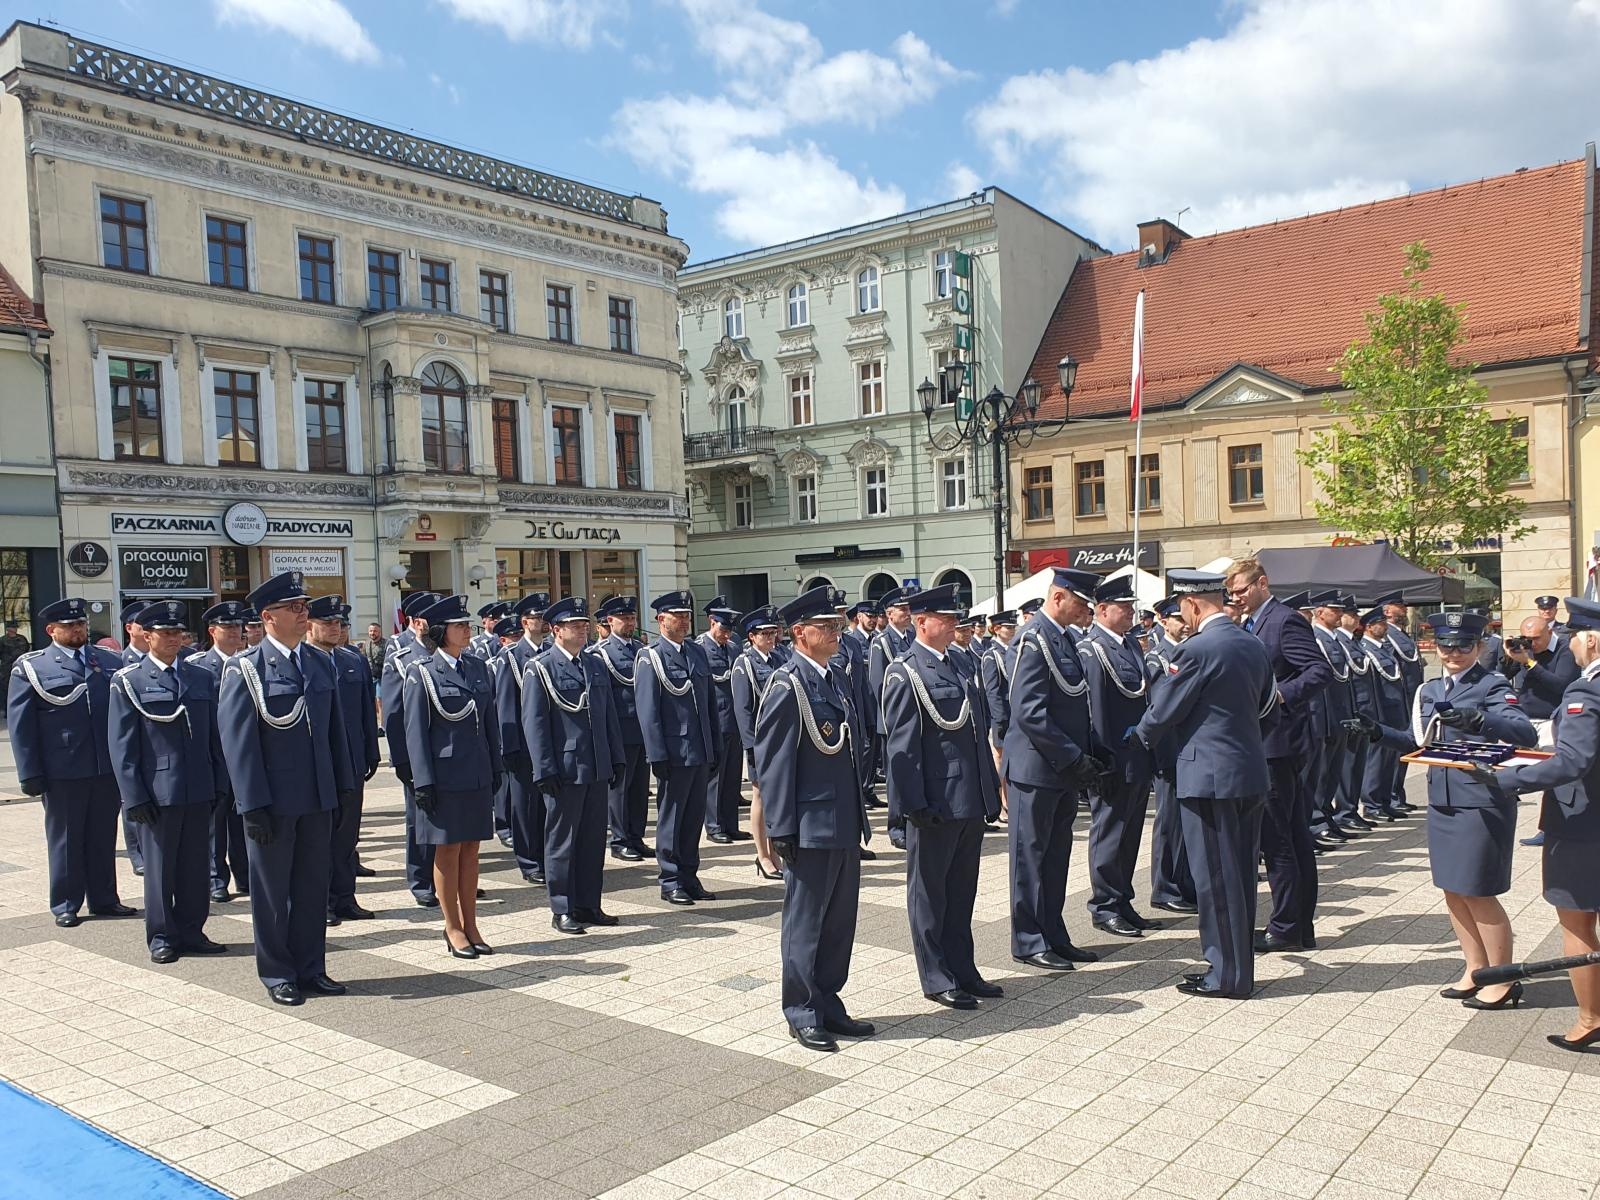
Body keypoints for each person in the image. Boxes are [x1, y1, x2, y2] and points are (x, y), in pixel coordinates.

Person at [1352, 609, 1537, 1010]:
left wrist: (1480, 719)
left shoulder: (1492, 685)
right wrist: (1379, 732)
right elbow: (1421, 744)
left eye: (1462, 645)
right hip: (1444, 800)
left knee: (1479, 892)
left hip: (1481, 800)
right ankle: (1475, 968)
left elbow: (1523, 732)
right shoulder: (1430, 689)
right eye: (1445, 644)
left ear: (1479, 646)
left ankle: (1502, 978)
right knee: (1453, 891)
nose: (1452, 652)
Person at [1134, 569, 1278, 999]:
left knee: (1215, 878)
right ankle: (1234, 967)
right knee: (1239, 876)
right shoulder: (1250, 642)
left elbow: (1163, 711)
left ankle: (1227, 975)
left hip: (1209, 779)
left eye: (1182, 608)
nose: (1183, 615)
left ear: (1194, 605)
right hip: (1248, 771)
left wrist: (1139, 740)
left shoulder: (1197, 649)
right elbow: (1269, 707)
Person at [219, 571, 356, 1006]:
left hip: (316, 797)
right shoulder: (246, 668)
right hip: (274, 802)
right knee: (272, 893)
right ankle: (278, 973)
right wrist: (252, 804)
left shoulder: (319, 662)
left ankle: (312, 967)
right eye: (294, 608)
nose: (304, 614)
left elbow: (335, 734)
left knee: (314, 887)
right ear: (268, 617)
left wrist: (339, 792)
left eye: (304, 606)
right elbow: (239, 744)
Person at [756, 586, 873, 1052]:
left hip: (842, 820)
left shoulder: (833, 677)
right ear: (800, 633)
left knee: (839, 921)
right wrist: (780, 828)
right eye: (826, 626)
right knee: (805, 923)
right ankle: (802, 1009)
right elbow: (775, 763)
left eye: (837, 624)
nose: (836, 631)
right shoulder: (787, 685)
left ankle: (828, 1001)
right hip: (808, 824)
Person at [882, 584, 1004, 1007]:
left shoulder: (959, 663)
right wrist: (911, 806)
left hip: (966, 798)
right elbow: (901, 747)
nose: (955, 624)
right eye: (947, 618)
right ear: (922, 622)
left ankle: (963, 968)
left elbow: (975, 735)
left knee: (960, 892)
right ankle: (936, 976)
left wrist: (989, 792)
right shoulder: (905, 671)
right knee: (929, 895)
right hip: (934, 803)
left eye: (956, 618)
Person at [1492, 596, 1600, 1050]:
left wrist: (1511, 778)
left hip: (1582, 823)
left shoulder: (1586, 690)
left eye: (1574, 634)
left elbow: (1573, 760)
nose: (1571, 643)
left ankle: (1590, 1017)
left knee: (1576, 922)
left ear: (1590, 640)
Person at [107, 600, 227, 964]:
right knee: (160, 870)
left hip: (198, 786)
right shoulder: (129, 680)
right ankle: (161, 934)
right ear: (146, 636)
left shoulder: (200, 676)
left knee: (195, 865)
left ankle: (192, 929)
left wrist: (220, 781)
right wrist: (134, 797)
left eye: (179, 632)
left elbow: (214, 738)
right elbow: (122, 746)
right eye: (166, 632)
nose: (175, 638)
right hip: (158, 792)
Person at [6, 597, 136, 928]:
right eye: (69, 626)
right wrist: (29, 772)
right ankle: (66, 902)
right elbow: (22, 727)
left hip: (105, 766)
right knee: (66, 837)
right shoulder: (33, 667)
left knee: (102, 835)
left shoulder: (108, 660)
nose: (78, 630)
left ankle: (105, 898)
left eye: (81, 625)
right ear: (51, 630)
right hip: (62, 769)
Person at [1002, 568, 1104, 971]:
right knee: (1030, 858)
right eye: (1080, 603)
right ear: (1058, 597)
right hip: (1036, 768)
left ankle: (1053, 932)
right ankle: (1028, 940)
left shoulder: (1061, 638)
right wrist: (1072, 756)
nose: (1085, 612)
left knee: (1056, 857)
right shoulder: (1032, 639)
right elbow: (1029, 711)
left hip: (1059, 768)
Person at [404, 594, 503, 958]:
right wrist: (424, 782)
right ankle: (452, 926)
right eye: (461, 625)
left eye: (467, 625)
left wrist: (495, 766)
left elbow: (489, 723)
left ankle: (472, 923)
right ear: (442, 632)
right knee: (447, 851)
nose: (467, 631)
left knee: (472, 849)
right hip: (444, 777)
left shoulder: (477, 668)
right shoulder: (423, 672)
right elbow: (415, 732)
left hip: (475, 772)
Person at [524, 596, 625, 935]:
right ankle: (562, 907)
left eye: (584, 625)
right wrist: (544, 769)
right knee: (562, 841)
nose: (583, 630)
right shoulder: (541, 667)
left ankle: (588, 903)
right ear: (556, 630)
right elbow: (535, 724)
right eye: (575, 625)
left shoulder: (594, 664)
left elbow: (608, 715)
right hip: (565, 770)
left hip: (595, 766)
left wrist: (616, 757)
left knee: (593, 839)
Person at [1079, 575, 1157, 937]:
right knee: (1109, 833)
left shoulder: (1129, 645)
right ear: (1103, 609)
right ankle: (1105, 904)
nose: (1130, 613)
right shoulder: (1092, 649)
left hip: (1136, 757)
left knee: (1129, 834)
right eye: (1124, 607)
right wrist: (1102, 759)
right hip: (1113, 759)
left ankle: (1123, 900)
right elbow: (1095, 710)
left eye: (1131, 607)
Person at [635, 590, 723, 905]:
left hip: (699, 749)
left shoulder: (696, 653)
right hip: (674, 753)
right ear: (661, 620)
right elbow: (648, 712)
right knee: (672, 818)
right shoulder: (651, 656)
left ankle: (689, 875)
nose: (685, 621)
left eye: (687, 616)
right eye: (678, 616)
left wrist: (715, 746)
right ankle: (670, 878)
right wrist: (657, 755)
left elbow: (709, 705)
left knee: (693, 818)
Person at [307, 598, 380, 925]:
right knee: (317, 839)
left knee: (347, 836)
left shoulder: (353, 659)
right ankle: (319, 902)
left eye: (339, 623)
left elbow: (366, 709)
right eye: (328, 623)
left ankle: (345, 897)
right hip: (317, 766)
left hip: (350, 761)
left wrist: (371, 752)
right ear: (310, 625)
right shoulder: (303, 661)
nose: (335, 629)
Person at [381, 590, 441, 907]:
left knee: (451, 819)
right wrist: (402, 759)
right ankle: (421, 880)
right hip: (419, 756)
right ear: (418, 623)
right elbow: (393, 714)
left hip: (450, 756)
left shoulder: (448, 655)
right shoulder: (400, 658)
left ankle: (451, 879)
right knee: (420, 819)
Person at [191, 602, 251, 903]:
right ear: (213, 631)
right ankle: (216, 878)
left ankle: (245, 874)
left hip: (244, 755)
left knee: (244, 819)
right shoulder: (198, 666)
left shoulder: (251, 663)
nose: (234, 632)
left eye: (238, 627)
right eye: (227, 627)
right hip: (213, 755)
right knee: (215, 823)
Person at [1143, 598, 1197, 913]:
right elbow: (1163, 706)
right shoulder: (1157, 659)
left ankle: (1184, 884)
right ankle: (1164, 888)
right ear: (1163, 621)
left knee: (1184, 822)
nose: (1184, 622)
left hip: (1187, 749)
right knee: (1169, 822)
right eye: (1177, 618)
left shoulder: (1189, 652)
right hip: (1168, 751)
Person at [496, 593, 553, 884]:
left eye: (544, 617)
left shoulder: (550, 652)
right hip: (522, 744)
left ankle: (546, 855)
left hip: (547, 744)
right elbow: (506, 706)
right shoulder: (511, 657)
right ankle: (529, 861)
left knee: (546, 805)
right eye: (536, 618)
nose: (541, 622)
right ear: (524, 622)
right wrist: (510, 747)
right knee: (525, 805)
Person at [732, 606, 787, 880]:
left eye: (773, 632)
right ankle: (763, 855)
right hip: (760, 741)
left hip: (781, 739)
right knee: (760, 797)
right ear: (752, 636)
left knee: (776, 797)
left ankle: (775, 851)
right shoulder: (745, 663)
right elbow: (743, 709)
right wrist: (752, 746)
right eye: (765, 634)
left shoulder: (778, 658)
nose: (771, 638)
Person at [594, 597, 651, 862]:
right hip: (620, 729)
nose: (629, 623)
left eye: (632, 618)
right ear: (609, 621)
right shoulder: (602, 652)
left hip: (642, 729)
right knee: (620, 788)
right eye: (624, 618)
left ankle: (635, 836)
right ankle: (619, 839)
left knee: (640, 788)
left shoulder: (640, 649)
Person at [869, 586, 918, 849]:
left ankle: (912, 818)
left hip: (915, 719)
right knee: (895, 774)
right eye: (902, 608)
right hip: (892, 720)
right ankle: (896, 824)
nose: (907, 612)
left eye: (908, 608)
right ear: (889, 614)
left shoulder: (912, 636)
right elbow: (878, 685)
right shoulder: (882, 642)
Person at [698, 598, 746, 844]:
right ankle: (714, 825)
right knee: (715, 777)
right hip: (716, 720)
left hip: (735, 720)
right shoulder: (700, 648)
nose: (726, 634)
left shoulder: (734, 647)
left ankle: (731, 823)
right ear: (711, 622)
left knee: (732, 777)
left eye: (729, 630)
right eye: (723, 629)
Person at [1356, 607, 1409, 824]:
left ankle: (1385, 801)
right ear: (1369, 627)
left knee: (1389, 760)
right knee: (1376, 760)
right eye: (1380, 623)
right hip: (1381, 712)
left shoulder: (1384, 649)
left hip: (1395, 711)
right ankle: (1372, 804)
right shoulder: (1366, 649)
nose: (1385, 626)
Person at [1380, 593, 1424, 815]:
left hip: (1410, 701)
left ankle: (1397, 793)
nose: (1404, 609)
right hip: (1399, 701)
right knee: (1393, 752)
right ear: (1387, 610)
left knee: (1404, 750)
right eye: (1399, 606)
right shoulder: (1387, 636)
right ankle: (1389, 796)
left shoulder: (1401, 635)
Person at [117, 601, 151, 875]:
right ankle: (138, 855)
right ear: (130, 629)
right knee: (131, 801)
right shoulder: (117, 664)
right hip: (131, 743)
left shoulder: (177, 658)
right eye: (143, 624)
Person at [980, 610, 1018, 824]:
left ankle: (1010, 800)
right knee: (1001, 761)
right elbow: (992, 691)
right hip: (1002, 716)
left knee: (1011, 760)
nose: (1011, 630)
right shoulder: (991, 654)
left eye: (1013, 627)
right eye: (1007, 627)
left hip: (1015, 714)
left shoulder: (1012, 651)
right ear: (995, 629)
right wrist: (1000, 719)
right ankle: (1003, 803)